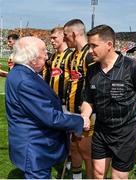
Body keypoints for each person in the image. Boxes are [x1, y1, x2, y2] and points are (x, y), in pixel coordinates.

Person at [5, 36, 90, 179]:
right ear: (32, 58)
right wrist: (79, 121)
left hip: (32, 145)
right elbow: (49, 117)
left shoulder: (22, 72)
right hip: (35, 148)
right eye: (43, 51)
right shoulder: (25, 80)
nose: (47, 55)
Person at [81, 24, 136, 179]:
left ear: (109, 45)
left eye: (94, 46)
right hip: (101, 131)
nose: (90, 51)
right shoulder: (92, 70)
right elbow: (88, 100)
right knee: (98, 173)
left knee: (118, 177)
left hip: (126, 134)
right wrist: (85, 115)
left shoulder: (132, 67)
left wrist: (135, 123)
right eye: (89, 46)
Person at [64, 19, 94, 179]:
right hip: (71, 111)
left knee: (87, 154)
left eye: (66, 35)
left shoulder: (90, 54)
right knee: (74, 147)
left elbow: (95, 86)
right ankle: (76, 178)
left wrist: (88, 114)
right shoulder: (73, 55)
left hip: (86, 114)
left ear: (74, 34)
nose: (64, 38)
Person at [42, 26, 73, 178]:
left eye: (54, 38)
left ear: (63, 37)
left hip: (66, 104)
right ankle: (59, 159)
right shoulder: (52, 58)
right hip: (52, 103)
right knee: (54, 134)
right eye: (51, 38)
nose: (52, 41)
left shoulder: (72, 56)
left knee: (69, 135)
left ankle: (70, 165)